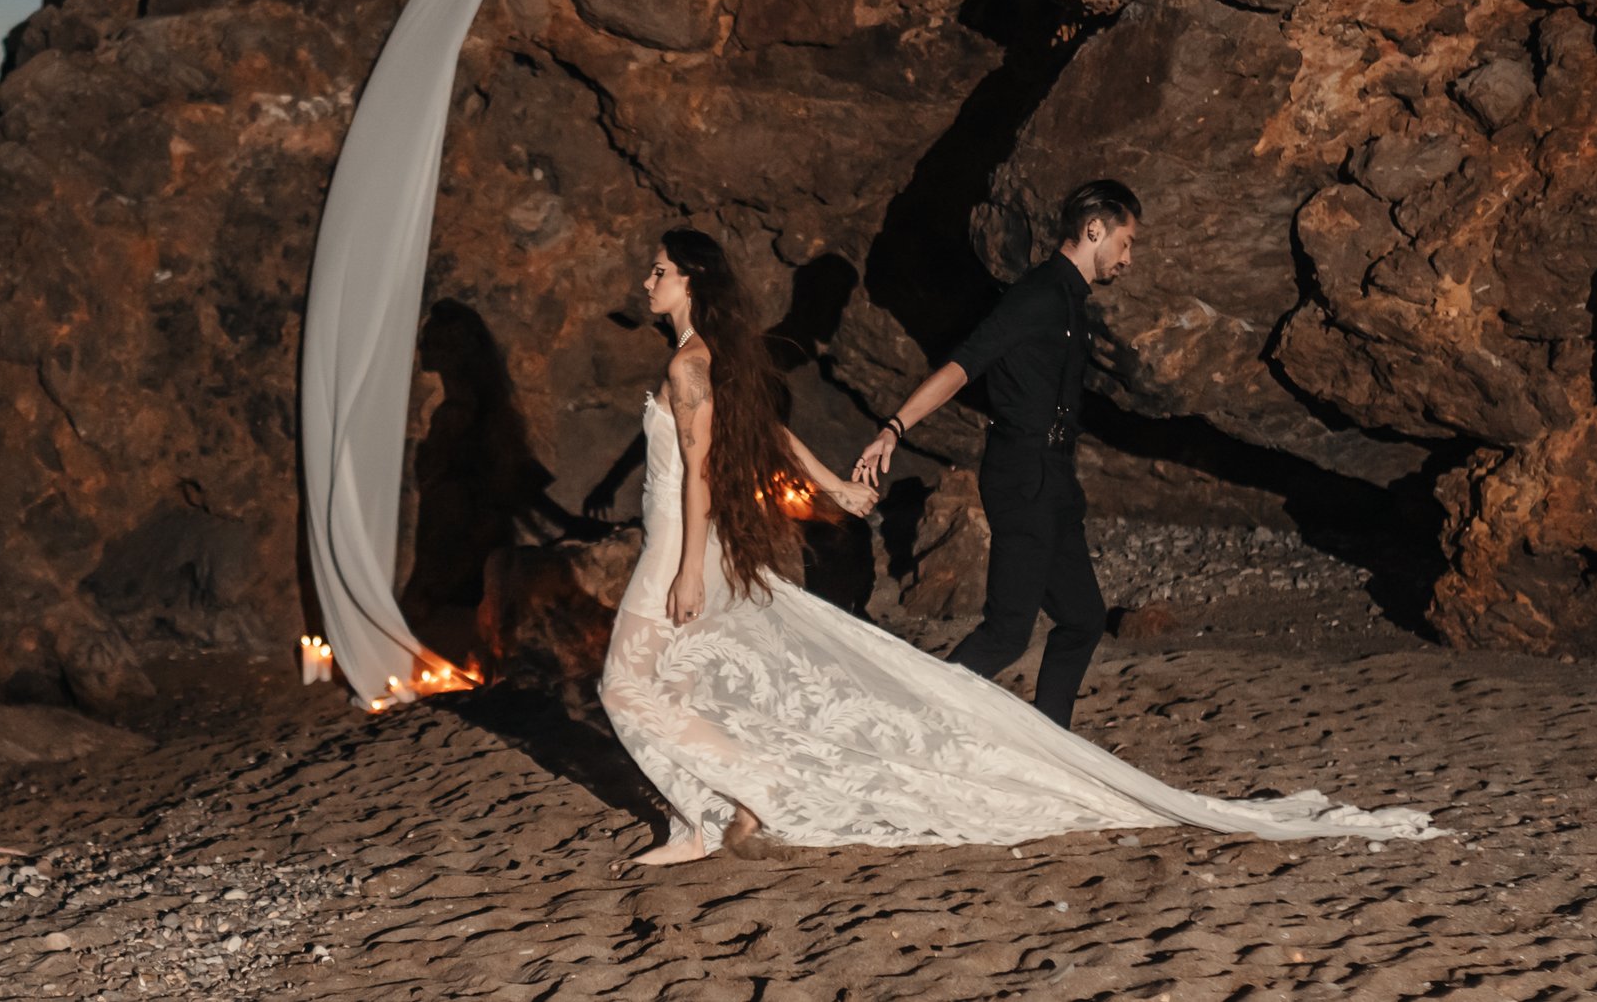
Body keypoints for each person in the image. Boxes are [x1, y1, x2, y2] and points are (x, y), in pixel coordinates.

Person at [599, 224, 1437, 871]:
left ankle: (713, 812)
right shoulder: (708, 362)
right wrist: (839, 488)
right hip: (693, 545)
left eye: (660, 270)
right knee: (683, 678)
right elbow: (773, 435)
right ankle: (722, 806)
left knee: (622, 684)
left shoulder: (692, 367)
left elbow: (709, 468)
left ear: (691, 283)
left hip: (680, 544)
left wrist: (682, 567)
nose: (647, 280)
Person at [852, 179, 1136, 730]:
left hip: (1054, 477)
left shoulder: (1073, 301)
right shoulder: (1035, 296)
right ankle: (914, 726)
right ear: (1093, 229)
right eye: (1125, 242)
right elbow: (963, 365)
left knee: (1082, 617)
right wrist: (894, 426)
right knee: (1008, 631)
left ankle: (1051, 743)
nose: (1128, 257)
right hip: (1020, 473)